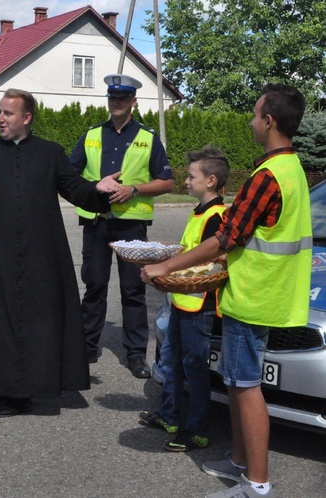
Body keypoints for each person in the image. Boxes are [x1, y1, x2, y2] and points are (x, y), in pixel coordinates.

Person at [142, 83, 310, 498]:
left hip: (254, 296)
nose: (251, 121)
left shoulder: (267, 175)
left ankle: (256, 483)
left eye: (255, 115)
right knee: (237, 382)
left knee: (246, 386)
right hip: (264, 293)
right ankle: (239, 462)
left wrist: (165, 265)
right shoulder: (292, 169)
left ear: (269, 121)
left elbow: (226, 238)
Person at [0, 88, 122, 417]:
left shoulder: (50, 153)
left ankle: (30, 390)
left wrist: (97, 189)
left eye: (8, 113)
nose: (1, 118)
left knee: (37, 320)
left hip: (39, 253)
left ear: (26, 118)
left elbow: (74, 188)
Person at [69, 73, 175, 378]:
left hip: (131, 226)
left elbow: (167, 181)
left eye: (123, 98)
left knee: (133, 291)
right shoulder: (90, 135)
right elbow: (70, 176)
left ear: (133, 102)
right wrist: (94, 186)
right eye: (113, 97)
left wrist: (135, 190)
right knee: (94, 286)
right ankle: (87, 347)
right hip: (97, 222)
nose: (117, 102)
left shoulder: (147, 137)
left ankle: (136, 354)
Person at [138, 147, 229, 451]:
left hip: (198, 304)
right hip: (181, 300)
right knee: (172, 360)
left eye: (192, 176)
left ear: (211, 181)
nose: (186, 181)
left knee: (194, 366)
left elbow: (209, 260)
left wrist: (170, 271)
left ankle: (198, 430)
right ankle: (170, 416)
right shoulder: (200, 211)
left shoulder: (217, 217)